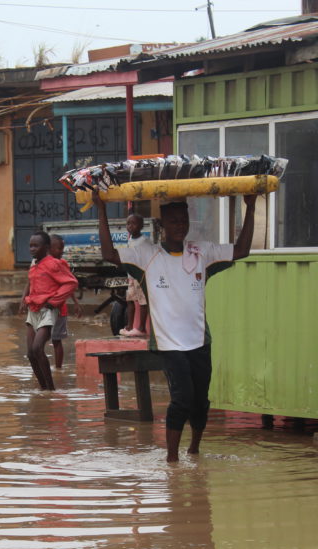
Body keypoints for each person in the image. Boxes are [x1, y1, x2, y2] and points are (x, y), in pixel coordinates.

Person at [95, 191, 257, 462]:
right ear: (162, 226)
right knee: (181, 399)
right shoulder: (147, 256)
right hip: (169, 344)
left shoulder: (201, 252)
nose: (180, 225)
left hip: (200, 341)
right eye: (173, 221)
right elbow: (109, 253)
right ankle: (172, 459)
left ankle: (194, 450)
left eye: (184, 220)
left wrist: (250, 208)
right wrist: (101, 210)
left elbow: (241, 250)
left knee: (201, 402)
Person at [19, 231, 78, 391]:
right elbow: (31, 284)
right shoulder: (34, 265)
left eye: (35, 246)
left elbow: (71, 283)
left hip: (47, 310)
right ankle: (43, 389)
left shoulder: (54, 263)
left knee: (38, 348)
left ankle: (51, 389)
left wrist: (55, 301)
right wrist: (24, 299)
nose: (32, 249)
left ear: (45, 248)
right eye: (30, 245)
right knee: (30, 353)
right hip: (33, 310)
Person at [47, 234, 82, 370]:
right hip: (44, 309)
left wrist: (76, 303)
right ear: (49, 248)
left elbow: (69, 285)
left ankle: (58, 368)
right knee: (40, 339)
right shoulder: (41, 264)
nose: (62, 251)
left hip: (60, 310)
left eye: (63, 248)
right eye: (59, 248)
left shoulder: (63, 264)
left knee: (56, 340)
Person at [120, 214, 150, 337]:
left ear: (141, 226)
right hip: (131, 276)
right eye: (128, 223)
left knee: (142, 301)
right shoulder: (130, 240)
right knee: (130, 300)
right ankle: (129, 326)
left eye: (134, 223)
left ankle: (141, 327)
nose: (130, 226)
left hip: (141, 276)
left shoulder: (145, 241)